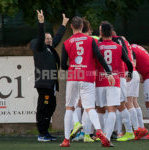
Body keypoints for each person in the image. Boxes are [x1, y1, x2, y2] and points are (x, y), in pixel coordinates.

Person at [60, 16, 115, 147]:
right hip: (88, 77)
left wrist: (73, 69)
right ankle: (99, 131)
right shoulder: (91, 40)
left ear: (72, 26)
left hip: (73, 77)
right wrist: (109, 73)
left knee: (69, 107)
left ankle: (66, 140)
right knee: (90, 108)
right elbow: (100, 57)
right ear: (82, 26)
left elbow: (63, 65)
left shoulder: (66, 43)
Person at [29, 10, 69, 142]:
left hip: (50, 84)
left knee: (51, 106)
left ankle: (45, 132)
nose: (50, 40)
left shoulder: (50, 49)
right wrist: (41, 22)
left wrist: (63, 25)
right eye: (47, 38)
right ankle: (42, 134)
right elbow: (41, 38)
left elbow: (57, 38)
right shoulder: (40, 47)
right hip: (44, 84)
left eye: (50, 39)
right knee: (44, 107)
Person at [95, 21, 133, 144]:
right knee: (115, 108)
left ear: (101, 32)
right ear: (111, 33)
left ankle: (105, 134)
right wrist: (130, 74)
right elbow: (128, 63)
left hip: (100, 81)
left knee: (100, 109)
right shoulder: (118, 47)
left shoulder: (97, 46)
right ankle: (108, 136)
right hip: (116, 80)